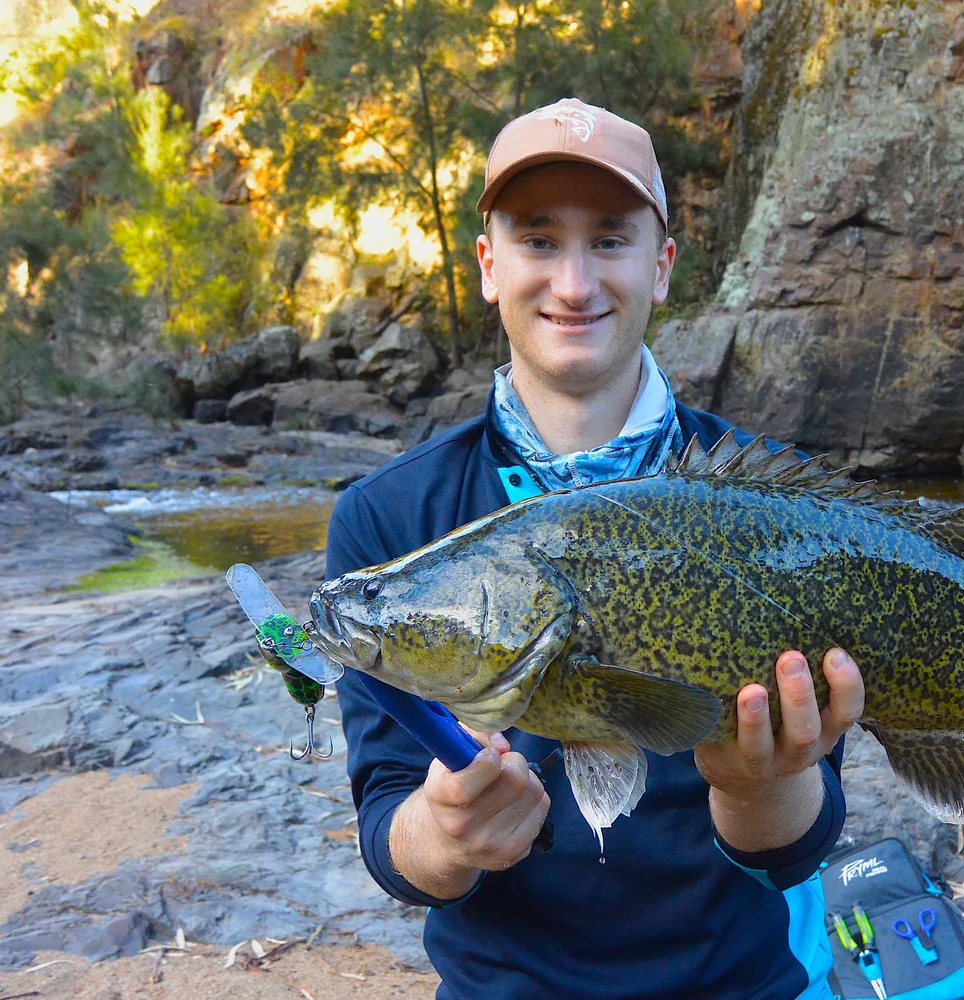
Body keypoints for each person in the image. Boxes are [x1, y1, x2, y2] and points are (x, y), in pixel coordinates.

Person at [329, 97, 865, 1000]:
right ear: (489, 265)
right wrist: (444, 834)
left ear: (661, 267)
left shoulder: (777, 507)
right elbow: (393, 837)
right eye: (539, 240)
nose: (574, 284)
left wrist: (755, 786)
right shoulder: (388, 519)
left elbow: (793, 851)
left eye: (610, 240)